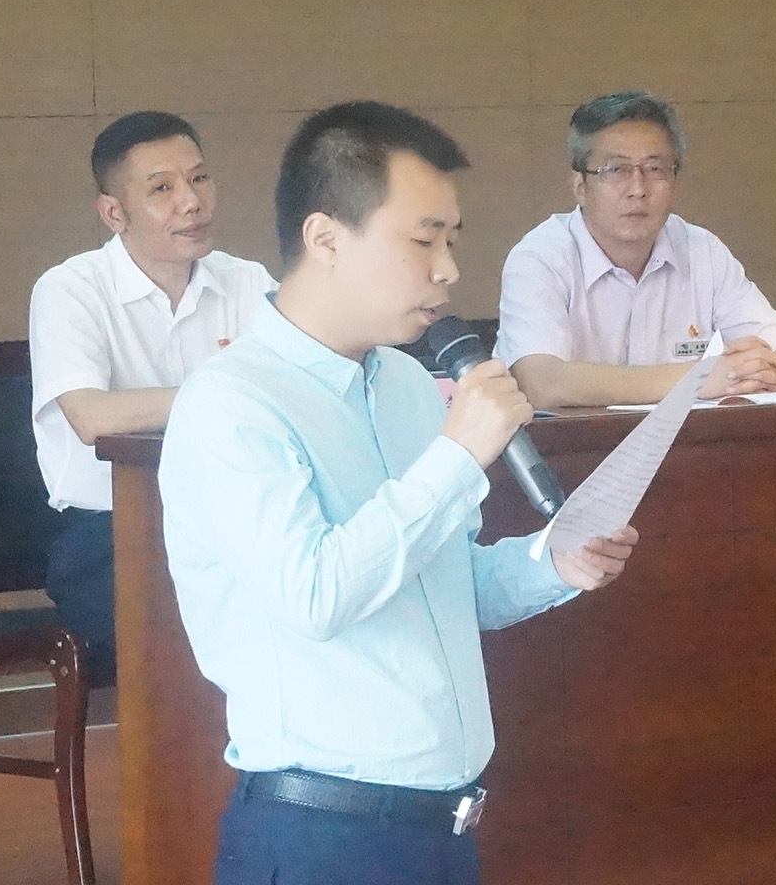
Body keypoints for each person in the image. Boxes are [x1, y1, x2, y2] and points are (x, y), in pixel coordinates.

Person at [161, 101, 636, 885]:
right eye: (423, 240)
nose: (447, 269)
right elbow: (315, 594)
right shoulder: (232, 403)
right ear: (326, 239)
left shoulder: (411, 386)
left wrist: (554, 562)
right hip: (319, 835)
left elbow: (447, 580)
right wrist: (457, 456)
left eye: (452, 240)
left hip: (443, 825)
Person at [28, 111, 273, 684]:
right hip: (113, 536)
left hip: (235, 521)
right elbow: (91, 416)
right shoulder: (70, 290)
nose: (192, 202)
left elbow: (294, 389)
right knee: (208, 636)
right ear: (114, 213)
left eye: (200, 179)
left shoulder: (248, 283)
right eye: (162, 188)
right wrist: (221, 393)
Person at [495, 90, 776, 408]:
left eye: (655, 169)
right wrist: (699, 378)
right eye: (616, 170)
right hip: (576, 440)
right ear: (580, 187)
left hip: (687, 439)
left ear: (675, 183)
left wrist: (755, 372)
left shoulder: (702, 251)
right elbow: (541, 382)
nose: (638, 189)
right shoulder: (540, 258)